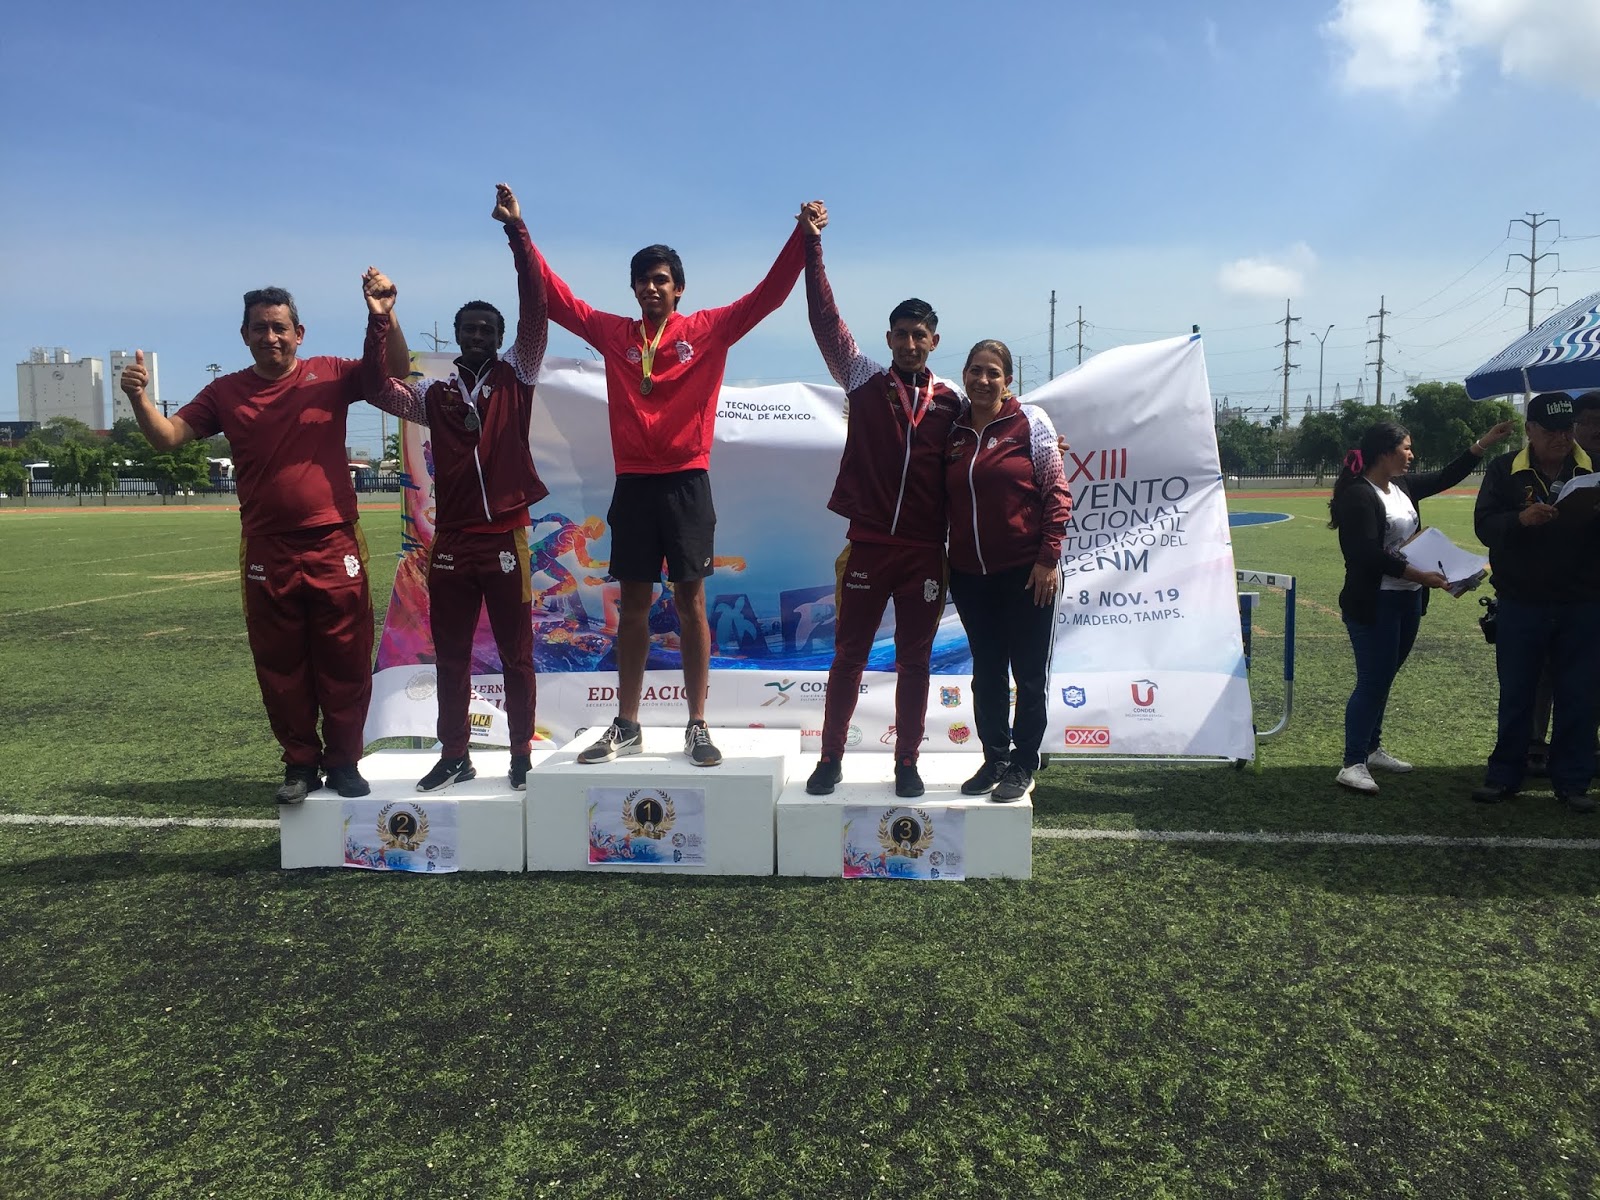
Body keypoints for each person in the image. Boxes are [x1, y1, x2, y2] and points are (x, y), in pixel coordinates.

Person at [529, 207, 813, 768]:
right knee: (634, 606)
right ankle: (627, 724)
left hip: (687, 483)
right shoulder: (615, 333)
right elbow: (557, 299)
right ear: (634, 289)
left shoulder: (708, 329)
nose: (652, 288)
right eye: (643, 281)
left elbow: (769, 296)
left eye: (661, 280)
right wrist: (518, 231)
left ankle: (697, 724)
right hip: (634, 485)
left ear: (678, 288)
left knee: (690, 603)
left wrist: (802, 239)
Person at [120, 283, 411, 805]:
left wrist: (385, 315)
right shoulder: (225, 392)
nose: (270, 337)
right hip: (266, 547)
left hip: (333, 540)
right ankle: (300, 763)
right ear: (244, 335)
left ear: (299, 334)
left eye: (280, 328)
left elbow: (395, 367)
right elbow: (167, 437)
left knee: (344, 657)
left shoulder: (330, 373)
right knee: (280, 664)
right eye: (260, 328)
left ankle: (344, 761)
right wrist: (138, 398)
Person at [362, 183, 548, 794]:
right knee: (450, 655)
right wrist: (381, 318)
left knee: (517, 653)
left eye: (486, 329)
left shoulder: (517, 374)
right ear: (458, 335)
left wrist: (516, 232)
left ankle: (520, 752)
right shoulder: (434, 397)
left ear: (500, 335)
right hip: (452, 542)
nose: (476, 337)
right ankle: (455, 754)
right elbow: (378, 387)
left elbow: (536, 307)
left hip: (505, 538)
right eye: (468, 329)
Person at [797, 202, 964, 799]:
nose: (911, 343)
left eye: (921, 335)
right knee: (848, 657)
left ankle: (907, 763)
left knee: (914, 662)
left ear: (934, 341)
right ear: (888, 338)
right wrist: (812, 246)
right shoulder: (863, 378)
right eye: (901, 334)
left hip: (925, 552)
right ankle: (830, 758)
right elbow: (824, 319)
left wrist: (1045, 438)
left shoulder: (953, 401)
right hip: (868, 545)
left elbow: (1000, 424)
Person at [1327, 418, 1513, 794]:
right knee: (1372, 681)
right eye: (1406, 448)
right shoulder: (1359, 495)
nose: (1412, 454)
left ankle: (1372, 748)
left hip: (1408, 599)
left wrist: (1484, 443)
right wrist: (1418, 574)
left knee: (1385, 677)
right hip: (1375, 601)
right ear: (1385, 452)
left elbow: (1446, 476)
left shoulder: (1401, 486)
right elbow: (1364, 554)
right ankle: (1352, 762)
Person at [944, 340, 1072, 802]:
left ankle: (1023, 763)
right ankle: (995, 757)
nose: (983, 380)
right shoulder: (952, 431)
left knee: (1030, 674)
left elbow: (1057, 493)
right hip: (969, 576)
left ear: (1008, 381)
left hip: (1027, 573)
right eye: (975, 370)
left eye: (993, 372)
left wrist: (1047, 559)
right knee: (987, 673)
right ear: (964, 374)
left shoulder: (1030, 421)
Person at [1471, 393, 1600, 812]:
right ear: (1529, 430)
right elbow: (1484, 525)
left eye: (1567, 430)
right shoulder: (1504, 469)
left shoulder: (1593, 468)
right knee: (1517, 694)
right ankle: (1504, 775)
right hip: (1521, 601)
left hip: (1582, 601)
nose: (1562, 438)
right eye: (1551, 431)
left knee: (1579, 695)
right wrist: (1519, 520)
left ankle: (1573, 782)